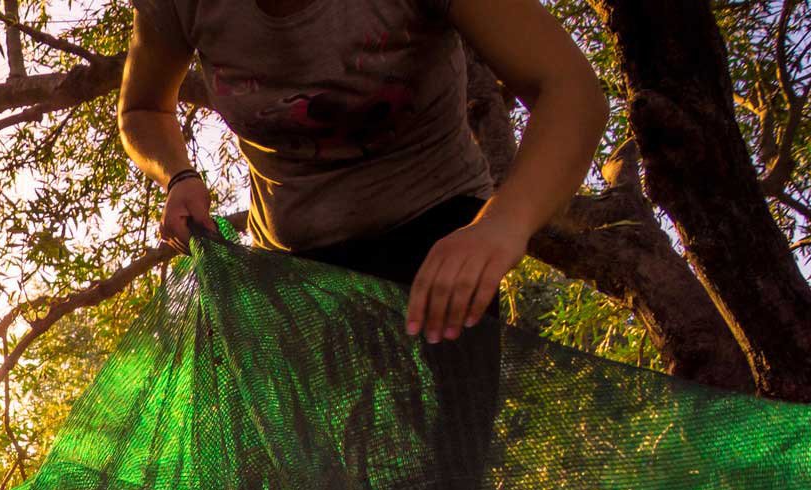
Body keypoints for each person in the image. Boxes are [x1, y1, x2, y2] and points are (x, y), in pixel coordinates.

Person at [118, 0, 607, 340]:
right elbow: (142, 108)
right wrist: (178, 177)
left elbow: (569, 90)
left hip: (436, 255)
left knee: (431, 482)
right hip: (291, 276)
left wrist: (503, 224)